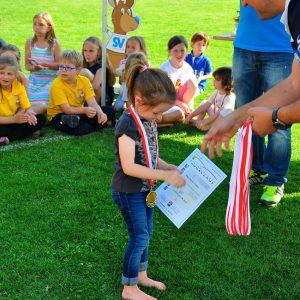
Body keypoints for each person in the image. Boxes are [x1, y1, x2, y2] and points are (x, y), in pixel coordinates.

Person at [201, 0, 296, 207]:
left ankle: (275, 180)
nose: (245, 3)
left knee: (277, 119)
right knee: (251, 115)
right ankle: (258, 168)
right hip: (244, 46)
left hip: (280, 50)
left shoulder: (293, 13)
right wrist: (235, 118)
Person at [111, 63, 186, 300]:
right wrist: (165, 177)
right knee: (139, 236)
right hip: (129, 191)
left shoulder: (147, 118)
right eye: (157, 113)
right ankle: (129, 288)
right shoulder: (127, 124)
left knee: (147, 232)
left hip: (145, 189)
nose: (160, 117)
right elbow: (129, 166)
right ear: (139, 100)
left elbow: (149, 153)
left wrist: (167, 167)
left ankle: (141, 275)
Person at [47, 50, 115, 136]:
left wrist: (100, 113)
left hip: (78, 112)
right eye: (61, 67)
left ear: (78, 70)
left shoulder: (84, 81)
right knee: (83, 129)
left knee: (109, 111)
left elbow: (92, 102)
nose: (63, 70)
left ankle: (88, 121)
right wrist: (85, 110)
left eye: (68, 68)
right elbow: (67, 109)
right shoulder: (56, 84)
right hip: (59, 115)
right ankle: (100, 123)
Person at [0, 56, 46, 145]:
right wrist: (13, 119)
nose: (5, 77)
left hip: (14, 120)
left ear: (15, 75)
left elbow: (26, 106)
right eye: (1, 73)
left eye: (9, 74)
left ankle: (7, 139)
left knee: (40, 118)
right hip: (5, 121)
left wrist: (29, 113)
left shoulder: (18, 85)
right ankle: (24, 133)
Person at [25, 12, 61, 114]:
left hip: (50, 81)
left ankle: (31, 116)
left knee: (43, 103)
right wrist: (35, 68)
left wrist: (44, 64)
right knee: (27, 102)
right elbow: (27, 65)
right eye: (34, 24)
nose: (36, 27)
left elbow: (59, 65)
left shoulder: (54, 43)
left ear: (49, 28)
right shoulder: (30, 42)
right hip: (34, 80)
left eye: (40, 25)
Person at [160, 35, 198, 124]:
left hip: (182, 98)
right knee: (179, 114)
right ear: (169, 51)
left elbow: (191, 89)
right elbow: (162, 93)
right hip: (167, 99)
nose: (179, 54)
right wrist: (178, 103)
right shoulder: (164, 68)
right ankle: (157, 119)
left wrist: (189, 105)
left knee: (193, 82)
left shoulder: (187, 68)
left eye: (182, 50)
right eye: (175, 50)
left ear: (187, 51)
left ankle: (187, 110)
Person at [80, 36, 116, 107]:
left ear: (99, 52)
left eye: (91, 51)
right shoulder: (85, 64)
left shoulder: (101, 67)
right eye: (85, 50)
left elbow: (95, 86)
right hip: (90, 95)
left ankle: (90, 107)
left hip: (104, 99)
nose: (87, 54)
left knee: (84, 72)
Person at [115, 36, 147, 112]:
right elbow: (120, 81)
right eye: (128, 47)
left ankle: (133, 107)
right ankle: (127, 105)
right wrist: (128, 73)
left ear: (141, 50)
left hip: (138, 92)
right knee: (118, 107)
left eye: (133, 47)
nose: (129, 50)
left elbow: (145, 80)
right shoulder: (123, 62)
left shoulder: (144, 63)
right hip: (125, 91)